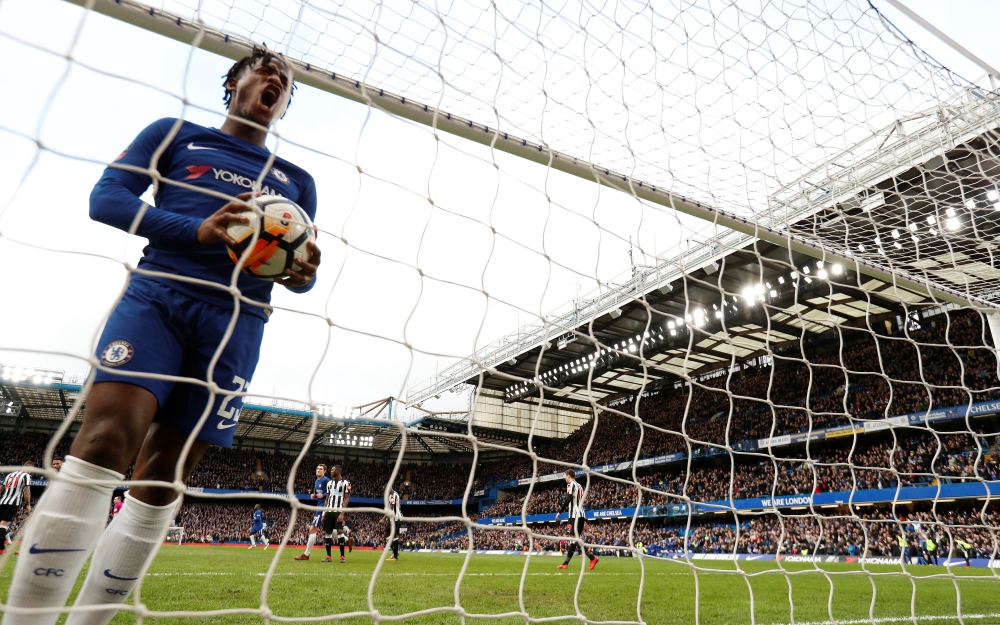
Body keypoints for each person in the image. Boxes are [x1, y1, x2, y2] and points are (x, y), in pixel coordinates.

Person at [3, 47, 320, 625]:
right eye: (264, 69)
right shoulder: (176, 135)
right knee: (104, 441)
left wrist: (304, 273)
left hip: (238, 325)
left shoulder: (297, 181)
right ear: (233, 84)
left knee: (164, 478)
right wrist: (196, 231)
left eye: (285, 79)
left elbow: (297, 272)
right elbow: (107, 199)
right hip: (159, 301)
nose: (276, 78)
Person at [553, 470, 598, 571]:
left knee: (573, 539)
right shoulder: (579, 486)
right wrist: (584, 520)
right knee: (573, 540)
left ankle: (592, 558)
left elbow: (568, 498)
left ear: (569, 476)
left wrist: (559, 512)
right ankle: (565, 563)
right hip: (580, 514)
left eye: (565, 476)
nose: (565, 478)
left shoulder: (571, 484)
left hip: (574, 516)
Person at [294, 464, 329, 561]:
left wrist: (324, 495)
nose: (318, 470)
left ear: (324, 471)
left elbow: (332, 492)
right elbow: (320, 494)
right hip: (320, 506)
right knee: (328, 531)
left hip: (323, 508)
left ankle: (306, 554)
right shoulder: (316, 481)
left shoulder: (326, 480)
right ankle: (347, 540)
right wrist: (315, 496)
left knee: (312, 529)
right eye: (317, 468)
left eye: (321, 469)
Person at [0, 462, 33, 554]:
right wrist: (28, 504)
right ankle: (1, 548)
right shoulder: (26, 476)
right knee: (3, 526)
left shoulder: (10, 474)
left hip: (2, 502)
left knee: (1, 524)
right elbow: (26, 492)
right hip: (13, 503)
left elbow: (1, 488)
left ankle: (2, 548)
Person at [322, 465, 351, 563]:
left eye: (333, 470)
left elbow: (347, 498)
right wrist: (323, 513)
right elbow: (326, 499)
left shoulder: (346, 483)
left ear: (338, 471)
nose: (331, 471)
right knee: (328, 532)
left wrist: (342, 513)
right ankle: (328, 556)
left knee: (339, 532)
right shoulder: (329, 483)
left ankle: (342, 556)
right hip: (329, 511)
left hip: (338, 510)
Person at [386, 487, 402, 561]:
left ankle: (395, 556)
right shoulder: (392, 495)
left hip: (396, 518)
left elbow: (391, 508)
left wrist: (383, 518)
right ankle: (395, 552)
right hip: (392, 518)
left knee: (394, 536)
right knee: (386, 535)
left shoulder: (392, 495)